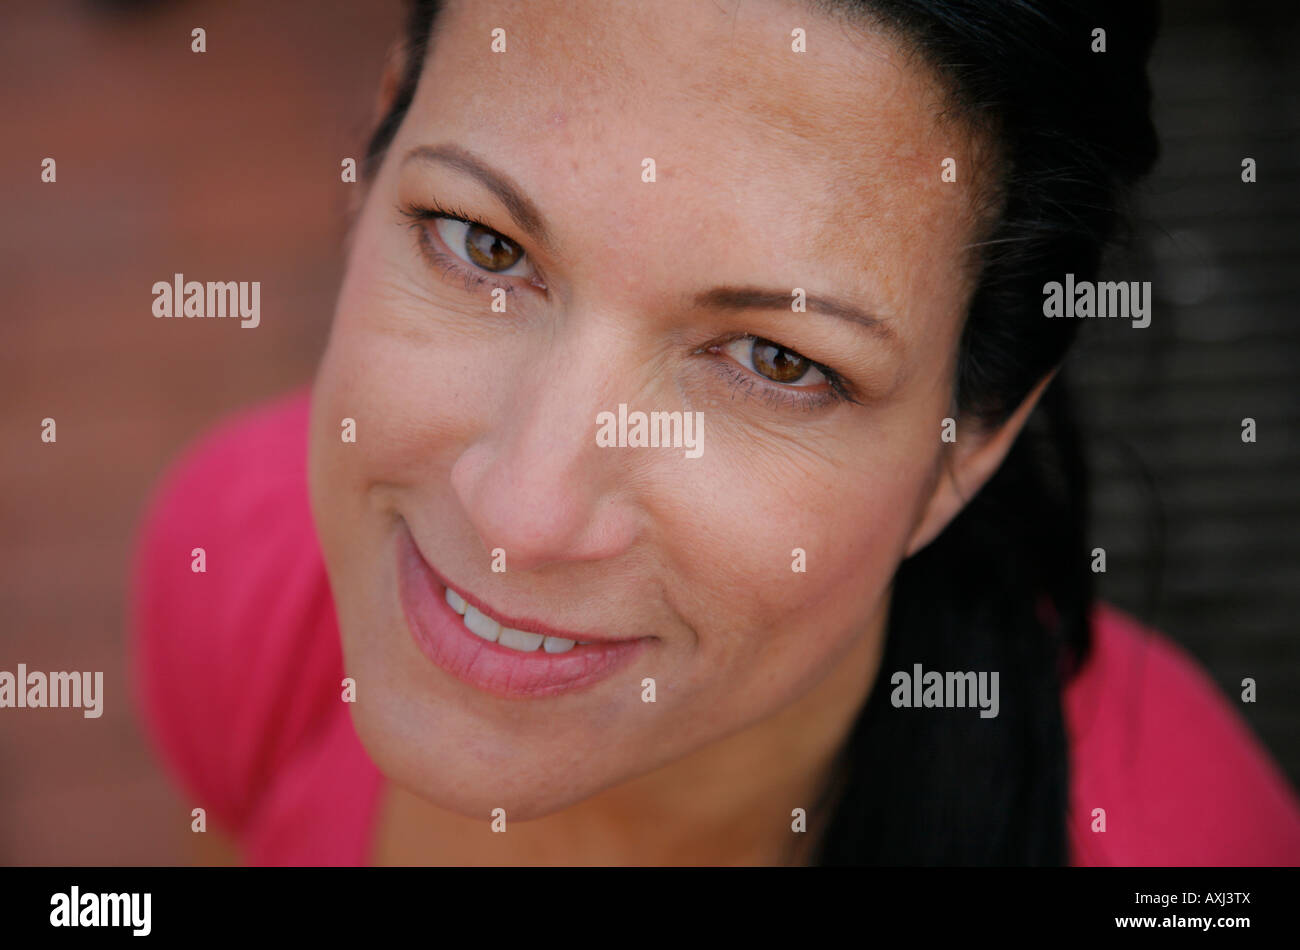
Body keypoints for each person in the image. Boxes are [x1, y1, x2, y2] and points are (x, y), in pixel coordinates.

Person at [131, 0, 1300, 865]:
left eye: (775, 362)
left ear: (973, 442)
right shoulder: (243, 559)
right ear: (380, 137)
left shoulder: (1181, 848)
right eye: (483, 244)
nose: (517, 513)